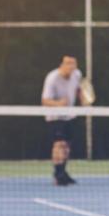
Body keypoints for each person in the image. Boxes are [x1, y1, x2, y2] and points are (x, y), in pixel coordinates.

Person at [41, 54, 84, 186]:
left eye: (73, 65)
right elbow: (45, 101)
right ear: (62, 65)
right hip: (54, 116)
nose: (71, 68)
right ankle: (58, 174)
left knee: (67, 145)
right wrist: (59, 103)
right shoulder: (52, 78)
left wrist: (83, 99)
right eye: (68, 65)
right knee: (59, 144)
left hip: (69, 115)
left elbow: (78, 89)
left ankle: (63, 172)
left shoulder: (77, 74)